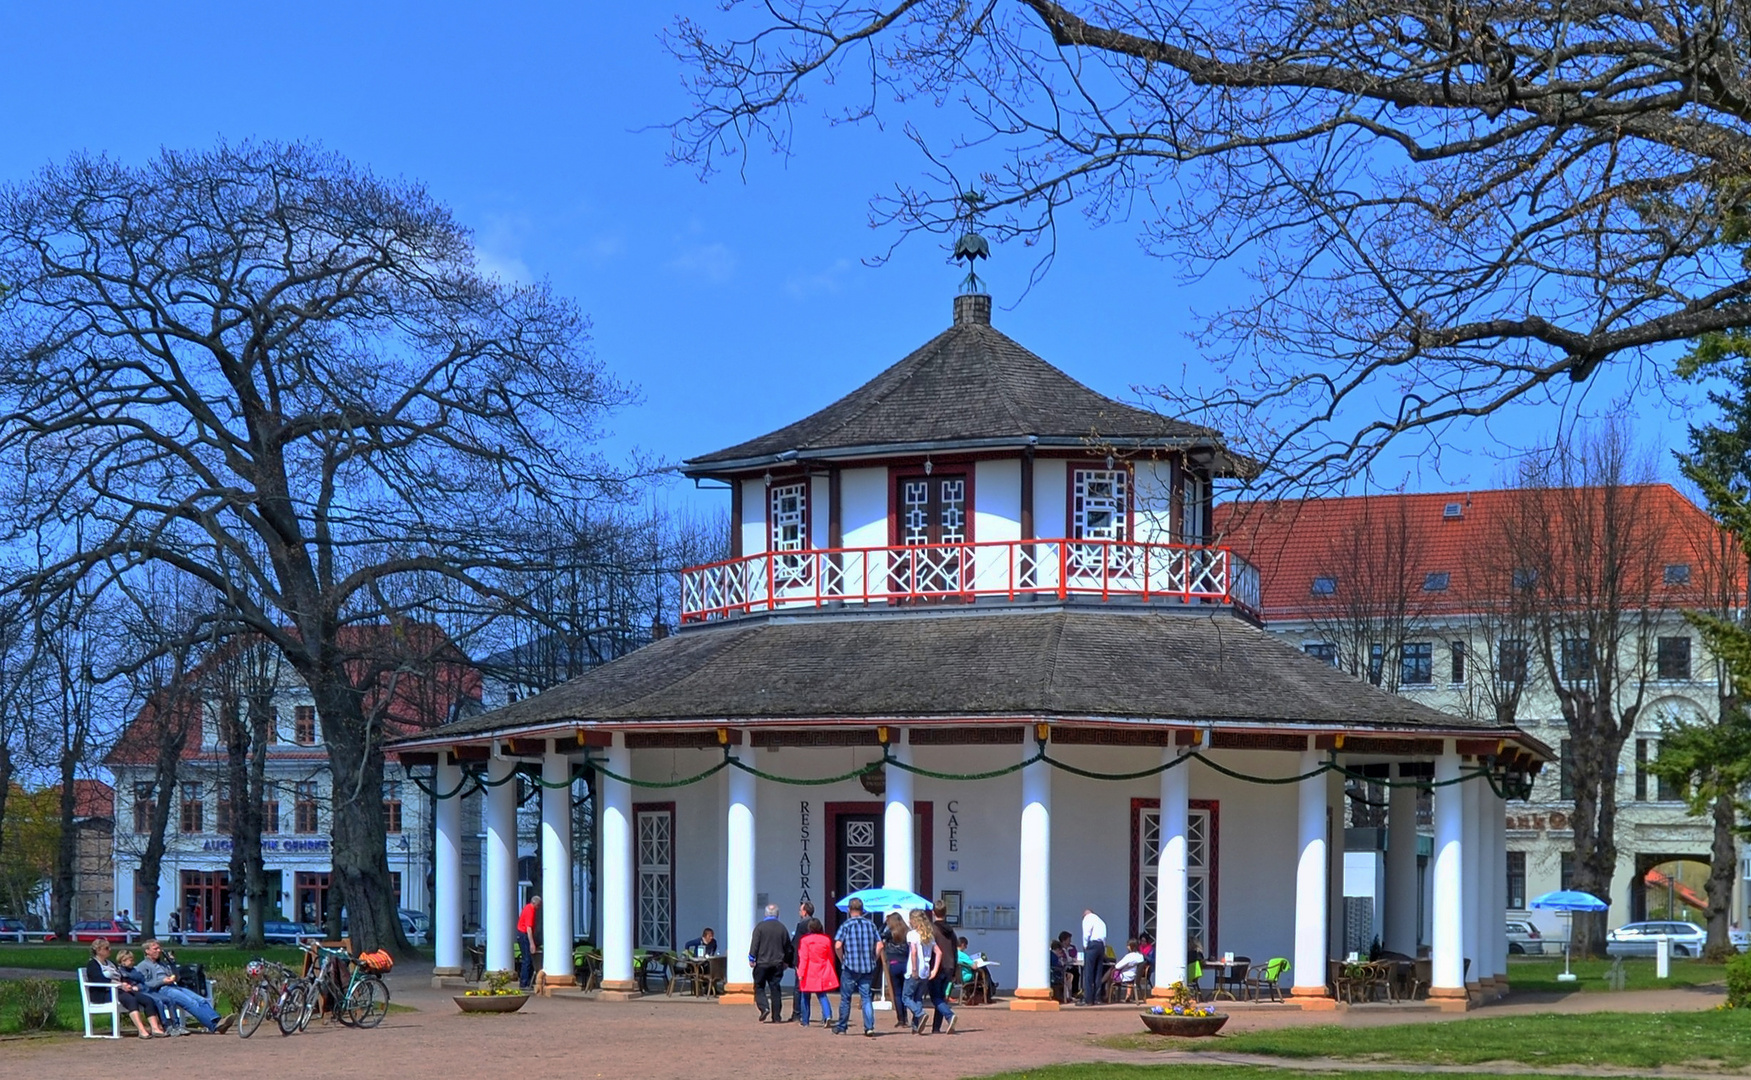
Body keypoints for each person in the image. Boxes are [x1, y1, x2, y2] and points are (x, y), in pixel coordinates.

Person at [136, 939, 230, 1033]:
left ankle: (218, 1022)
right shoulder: (143, 966)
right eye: (155, 949)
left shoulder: (163, 964)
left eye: (159, 948)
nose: (159, 951)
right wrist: (162, 981)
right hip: (161, 990)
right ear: (147, 951)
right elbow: (144, 984)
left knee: (201, 1000)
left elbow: (177, 978)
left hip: (174, 986)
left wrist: (172, 963)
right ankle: (213, 1026)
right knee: (192, 1002)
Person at [85, 938, 167, 1039]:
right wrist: (119, 985)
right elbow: (99, 980)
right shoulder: (93, 964)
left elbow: (121, 976)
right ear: (98, 950)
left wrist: (128, 985)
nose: (110, 949)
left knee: (147, 999)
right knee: (131, 1000)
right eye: (106, 948)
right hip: (104, 993)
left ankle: (155, 1028)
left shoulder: (110, 963)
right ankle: (141, 1030)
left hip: (120, 990)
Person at [833, 898, 881, 1036]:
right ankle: (869, 1027)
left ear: (849, 910)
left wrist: (842, 959)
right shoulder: (870, 925)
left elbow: (837, 945)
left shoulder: (846, 925)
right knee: (866, 997)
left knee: (846, 998)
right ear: (862, 910)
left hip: (850, 966)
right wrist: (874, 959)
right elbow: (880, 945)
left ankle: (842, 1026)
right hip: (867, 967)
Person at [748, 903, 792, 1023]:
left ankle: (764, 1007)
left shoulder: (760, 927)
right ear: (777, 914)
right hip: (777, 963)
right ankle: (776, 1017)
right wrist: (787, 961)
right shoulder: (782, 928)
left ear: (765, 914)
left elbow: (755, 944)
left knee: (759, 986)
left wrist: (751, 958)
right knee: (775, 989)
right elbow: (788, 947)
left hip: (762, 963)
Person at [794, 917, 838, 1028]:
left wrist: (800, 973)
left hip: (809, 971)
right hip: (821, 969)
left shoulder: (805, 940)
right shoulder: (826, 940)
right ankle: (827, 1015)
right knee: (822, 995)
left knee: (805, 996)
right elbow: (830, 957)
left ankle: (805, 1020)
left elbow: (803, 958)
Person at [902, 909, 940, 1035]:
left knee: (906, 997)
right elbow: (939, 952)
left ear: (914, 921)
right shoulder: (929, 935)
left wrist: (913, 969)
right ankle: (916, 1026)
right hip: (926, 970)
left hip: (915, 969)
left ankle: (920, 1014)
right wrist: (934, 970)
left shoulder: (912, 934)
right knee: (917, 998)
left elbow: (913, 952)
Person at [929, 899, 957, 1034]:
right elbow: (954, 950)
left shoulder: (932, 929)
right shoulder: (951, 931)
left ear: (933, 912)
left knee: (935, 996)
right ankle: (936, 1027)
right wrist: (955, 970)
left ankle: (949, 1014)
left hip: (937, 966)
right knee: (940, 996)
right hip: (949, 965)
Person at [882, 912, 912, 1028]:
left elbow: (879, 935)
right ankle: (906, 1018)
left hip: (894, 963)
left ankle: (901, 1019)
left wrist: (884, 924)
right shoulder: (907, 931)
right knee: (905, 992)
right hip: (905, 963)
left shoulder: (890, 933)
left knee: (897, 993)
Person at [788, 900, 815, 1022]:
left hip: (802, 959)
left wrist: (794, 962)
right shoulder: (816, 924)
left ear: (805, 912)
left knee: (799, 988)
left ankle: (797, 1013)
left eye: (801, 910)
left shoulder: (802, 925)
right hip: (814, 959)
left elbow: (796, 944)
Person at [1080, 907, 1108, 1006]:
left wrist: (1085, 946)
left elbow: (1086, 933)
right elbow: (1104, 937)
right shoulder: (1100, 921)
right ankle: (1097, 998)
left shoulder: (1088, 919)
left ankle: (1088, 999)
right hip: (1101, 946)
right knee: (1098, 973)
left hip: (1092, 945)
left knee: (1088, 973)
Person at [516, 895, 541, 990]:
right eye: (538, 905)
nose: (539, 908)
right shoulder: (530, 910)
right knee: (527, 960)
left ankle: (526, 982)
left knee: (527, 960)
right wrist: (532, 943)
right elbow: (529, 929)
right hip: (524, 935)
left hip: (521, 935)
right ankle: (524, 983)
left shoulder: (527, 908)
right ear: (534, 903)